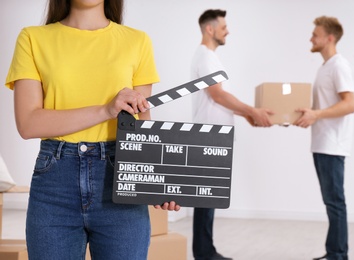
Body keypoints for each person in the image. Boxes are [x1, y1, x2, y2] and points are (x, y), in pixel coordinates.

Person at [5, 1, 180, 259]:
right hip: (55, 181)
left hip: (119, 177)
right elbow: (29, 123)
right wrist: (105, 110)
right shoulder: (33, 38)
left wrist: (156, 183)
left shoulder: (137, 41)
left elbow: (141, 125)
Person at [191, 9, 273, 260]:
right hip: (209, 137)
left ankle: (206, 250)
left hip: (215, 135)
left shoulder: (210, 58)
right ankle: (204, 253)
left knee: (210, 196)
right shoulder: (205, 56)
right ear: (210, 29)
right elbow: (217, 95)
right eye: (224, 27)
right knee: (206, 197)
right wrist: (251, 110)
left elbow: (219, 101)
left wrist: (248, 115)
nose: (228, 31)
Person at [294, 16, 354, 260]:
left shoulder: (339, 65)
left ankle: (338, 254)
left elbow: (350, 104)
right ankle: (334, 252)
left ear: (329, 38)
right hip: (321, 142)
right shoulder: (325, 67)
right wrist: (305, 115)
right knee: (331, 202)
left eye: (315, 34)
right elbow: (324, 106)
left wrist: (316, 114)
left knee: (335, 202)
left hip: (333, 144)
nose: (311, 38)